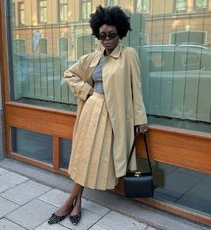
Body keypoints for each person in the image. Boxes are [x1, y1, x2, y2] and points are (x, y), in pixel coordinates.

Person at [48, 5, 148, 226]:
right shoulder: (93, 57)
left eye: (112, 34)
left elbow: (136, 90)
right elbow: (70, 74)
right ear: (97, 34)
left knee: (93, 158)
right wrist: (89, 91)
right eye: (102, 35)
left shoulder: (128, 55)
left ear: (120, 32)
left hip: (111, 118)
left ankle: (70, 201)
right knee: (84, 156)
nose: (107, 39)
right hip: (90, 112)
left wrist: (140, 119)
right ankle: (76, 202)